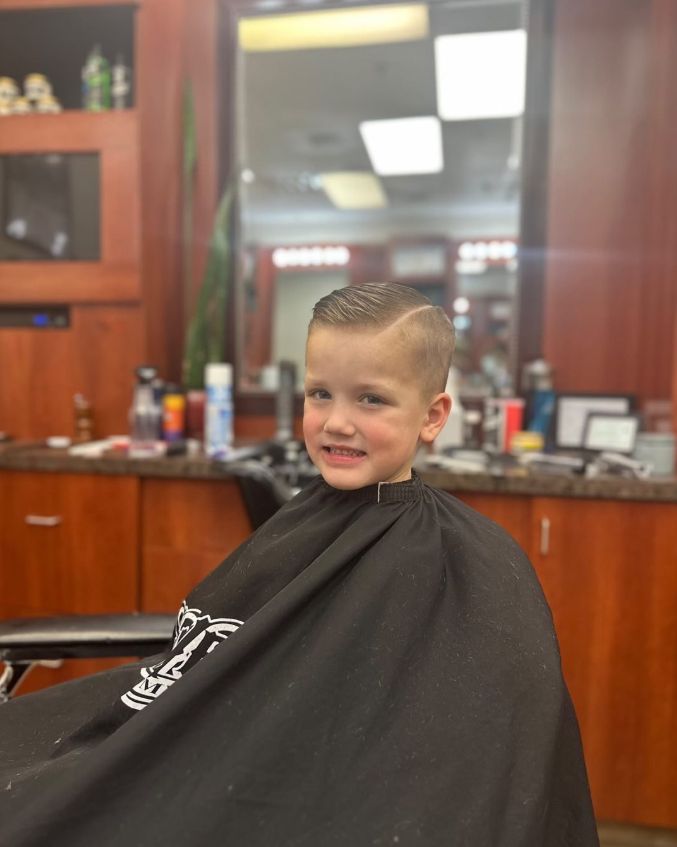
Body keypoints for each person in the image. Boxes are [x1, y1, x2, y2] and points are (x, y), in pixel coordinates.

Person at [0, 283, 599, 846]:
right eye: (321, 394)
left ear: (433, 415)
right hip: (180, 747)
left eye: (371, 398)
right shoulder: (307, 518)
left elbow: (472, 765)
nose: (337, 421)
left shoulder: (467, 563)